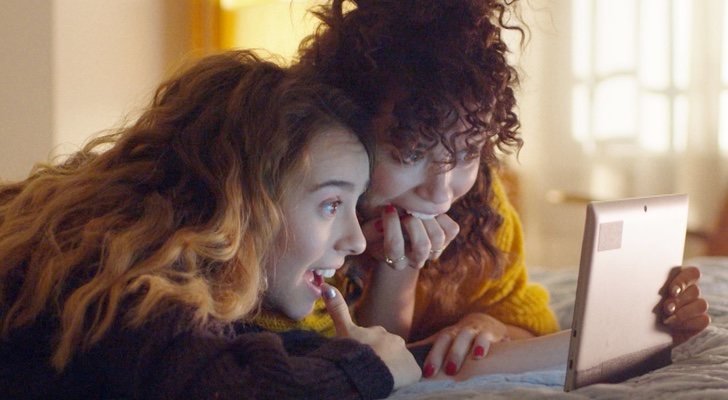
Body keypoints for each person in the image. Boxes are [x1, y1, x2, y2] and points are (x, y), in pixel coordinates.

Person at [254, 0, 711, 380]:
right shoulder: (310, 222)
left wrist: (489, 325)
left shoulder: (482, 210)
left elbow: (529, 317)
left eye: (466, 153)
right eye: (411, 154)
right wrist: (399, 270)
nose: (441, 190)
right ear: (350, 128)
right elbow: (360, 366)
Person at [0, 50, 420, 399]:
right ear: (242, 199)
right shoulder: (124, 271)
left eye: (353, 205)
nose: (356, 241)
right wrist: (365, 368)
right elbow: (228, 388)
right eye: (331, 204)